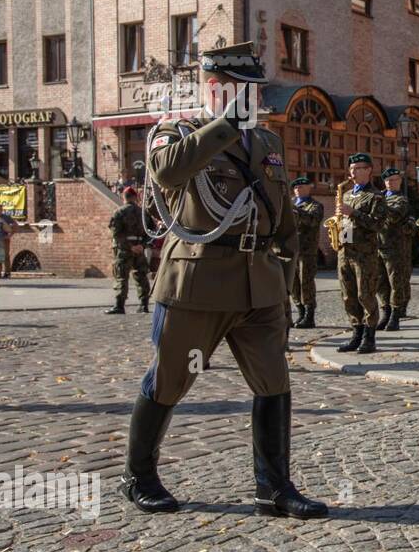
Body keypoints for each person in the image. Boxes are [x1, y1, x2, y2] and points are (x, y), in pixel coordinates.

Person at [122, 42, 325, 517]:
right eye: (245, 92)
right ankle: (139, 476)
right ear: (215, 89)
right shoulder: (175, 131)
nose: (255, 100)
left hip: (259, 284)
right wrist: (226, 124)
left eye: (256, 91)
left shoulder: (269, 143)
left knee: (274, 381)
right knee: (171, 379)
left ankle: (273, 487)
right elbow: (167, 173)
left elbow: (284, 222)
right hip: (198, 282)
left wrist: (285, 282)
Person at [335, 153, 386, 354]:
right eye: (352, 168)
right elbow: (346, 222)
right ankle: (356, 333)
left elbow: (377, 224)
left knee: (366, 295)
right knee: (348, 296)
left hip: (365, 254)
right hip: (345, 251)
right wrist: (339, 231)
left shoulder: (376, 196)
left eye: (358, 168)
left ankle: (369, 337)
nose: (353, 172)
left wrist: (353, 213)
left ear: (369, 170)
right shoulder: (346, 195)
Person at [375, 167, 413, 332]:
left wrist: (378, 203)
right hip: (377, 247)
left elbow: (394, 216)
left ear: (400, 181)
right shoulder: (380, 197)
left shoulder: (401, 200)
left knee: (396, 283)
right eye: (388, 180)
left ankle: (396, 316)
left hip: (395, 249)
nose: (391, 183)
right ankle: (385, 312)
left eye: (395, 180)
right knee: (380, 283)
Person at [105, 187, 151, 314]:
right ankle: (144, 304)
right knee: (141, 275)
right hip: (140, 248)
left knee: (121, 277)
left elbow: (116, 233)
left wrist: (130, 246)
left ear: (123, 197)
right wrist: (142, 245)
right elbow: (151, 232)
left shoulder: (119, 212)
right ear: (136, 197)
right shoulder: (143, 213)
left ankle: (119, 305)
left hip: (124, 249)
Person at [288, 176, 324, 329]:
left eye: (301, 187)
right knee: (294, 283)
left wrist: (295, 209)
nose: (298, 190)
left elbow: (313, 221)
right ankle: (300, 312)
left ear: (309, 188)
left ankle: (309, 315)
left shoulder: (315, 205)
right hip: (291, 250)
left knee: (306, 282)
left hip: (307, 251)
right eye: (296, 188)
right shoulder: (289, 205)